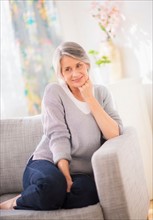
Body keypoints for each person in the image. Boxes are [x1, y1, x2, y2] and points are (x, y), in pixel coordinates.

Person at [0, 41, 123, 210]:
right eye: (67, 69)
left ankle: (42, 195)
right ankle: (16, 202)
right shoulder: (54, 92)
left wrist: (90, 98)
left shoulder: (101, 93)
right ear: (61, 74)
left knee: (89, 194)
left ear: (86, 63)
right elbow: (58, 135)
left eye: (78, 65)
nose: (75, 74)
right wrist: (64, 175)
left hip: (81, 173)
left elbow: (114, 133)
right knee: (53, 186)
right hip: (48, 162)